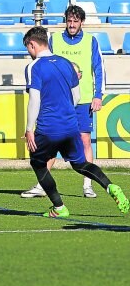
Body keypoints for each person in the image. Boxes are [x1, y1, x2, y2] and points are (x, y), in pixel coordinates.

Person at [22, 26, 128, 217]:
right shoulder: (65, 63)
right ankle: (111, 186)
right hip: (71, 124)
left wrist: (29, 128)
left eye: (28, 48)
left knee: (37, 162)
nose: (29, 53)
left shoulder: (33, 67)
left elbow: (34, 99)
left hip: (48, 127)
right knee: (80, 165)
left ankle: (59, 208)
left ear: (32, 44)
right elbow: (77, 97)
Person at [22, 5, 105, 199]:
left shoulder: (91, 41)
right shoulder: (55, 39)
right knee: (51, 141)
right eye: (69, 21)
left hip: (82, 99)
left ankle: (88, 185)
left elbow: (99, 68)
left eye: (76, 21)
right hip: (60, 102)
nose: (72, 24)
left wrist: (98, 95)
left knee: (85, 140)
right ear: (65, 21)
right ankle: (42, 185)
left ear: (82, 22)